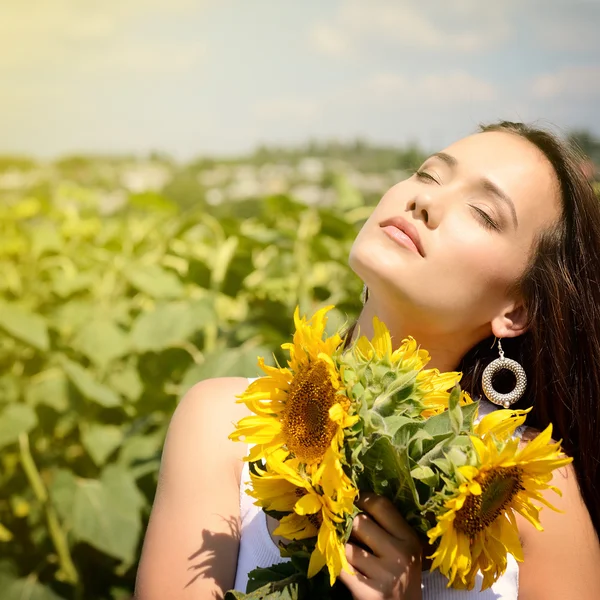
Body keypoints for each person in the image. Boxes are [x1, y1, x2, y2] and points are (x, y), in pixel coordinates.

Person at [134, 121, 600, 600]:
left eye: (482, 212)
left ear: (516, 310)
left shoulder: (532, 488)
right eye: (428, 175)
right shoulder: (223, 422)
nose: (425, 202)